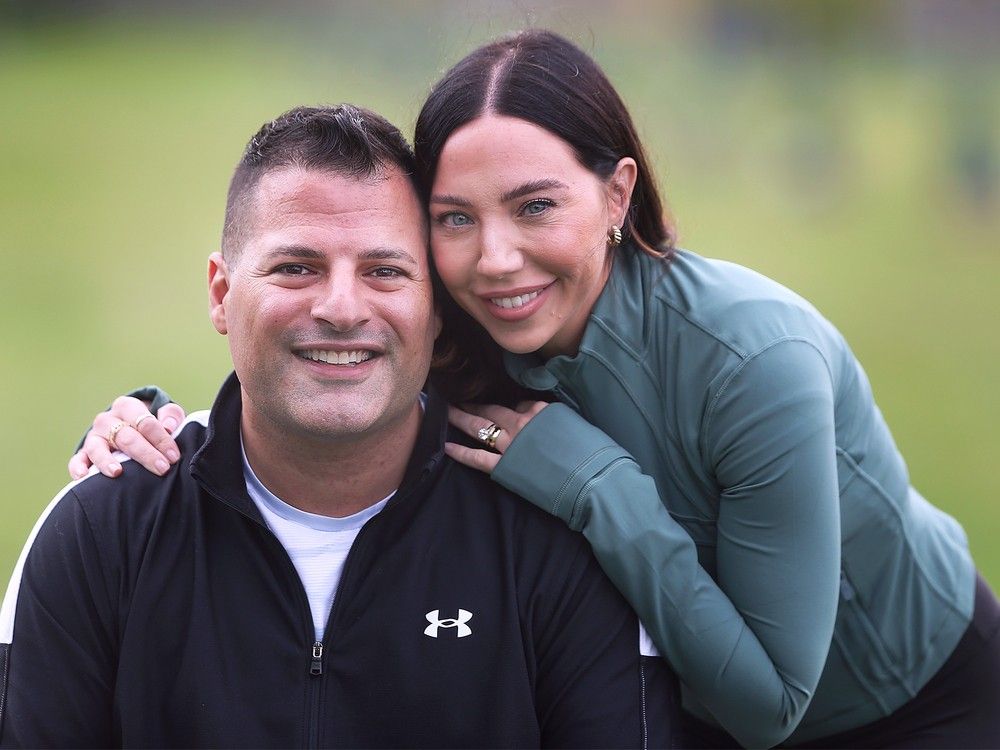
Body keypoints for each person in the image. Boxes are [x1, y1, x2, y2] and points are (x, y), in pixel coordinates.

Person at [69, 31, 1000, 749]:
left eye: (535, 206)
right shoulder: (468, 326)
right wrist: (145, 431)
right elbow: (313, 368)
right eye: (454, 219)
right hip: (686, 711)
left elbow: (771, 705)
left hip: (907, 705)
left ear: (617, 193)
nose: (496, 258)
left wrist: (599, 487)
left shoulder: (756, 361)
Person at [0, 104, 677, 748]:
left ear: (437, 308)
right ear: (221, 294)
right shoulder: (103, 529)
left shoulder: (547, 534)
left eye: (385, 271)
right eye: (297, 268)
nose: (342, 308)